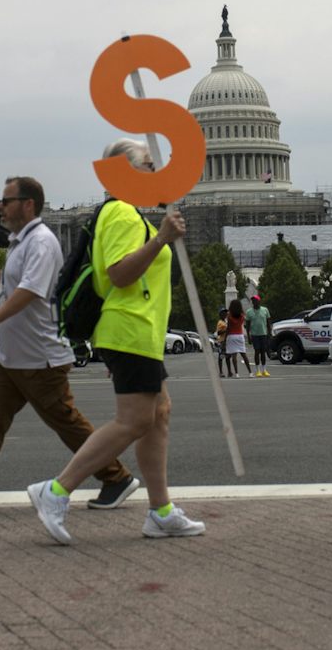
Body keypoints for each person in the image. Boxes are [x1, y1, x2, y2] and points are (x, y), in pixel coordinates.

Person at [28, 139, 204, 544]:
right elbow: (121, 274)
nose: (153, 172)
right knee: (135, 420)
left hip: (139, 329)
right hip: (130, 328)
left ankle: (160, 511)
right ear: (125, 172)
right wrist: (160, 239)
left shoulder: (118, 212)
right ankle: (56, 491)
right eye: (146, 164)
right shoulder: (123, 214)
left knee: (158, 413)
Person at [0, 177, 139, 512]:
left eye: (7, 200)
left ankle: (116, 476)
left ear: (28, 204)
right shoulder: (21, 242)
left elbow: (30, 293)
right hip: (13, 357)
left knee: (66, 423)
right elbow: (18, 285)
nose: (1, 207)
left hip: (39, 357)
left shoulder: (40, 241)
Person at [224, 298, 250, 377]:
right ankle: (250, 372)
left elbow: (228, 328)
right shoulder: (242, 315)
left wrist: (225, 339)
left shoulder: (229, 316)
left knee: (234, 356)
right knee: (243, 354)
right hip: (240, 335)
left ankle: (237, 373)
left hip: (232, 335)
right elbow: (244, 323)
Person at [247, 295, 272, 377]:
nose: (254, 302)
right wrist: (248, 336)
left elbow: (268, 323)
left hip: (263, 334)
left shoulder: (265, 310)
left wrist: (269, 333)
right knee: (257, 352)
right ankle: (258, 370)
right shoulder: (249, 312)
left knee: (263, 352)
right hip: (255, 335)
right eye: (253, 301)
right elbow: (247, 325)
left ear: (259, 301)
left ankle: (264, 370)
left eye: (256, 300)